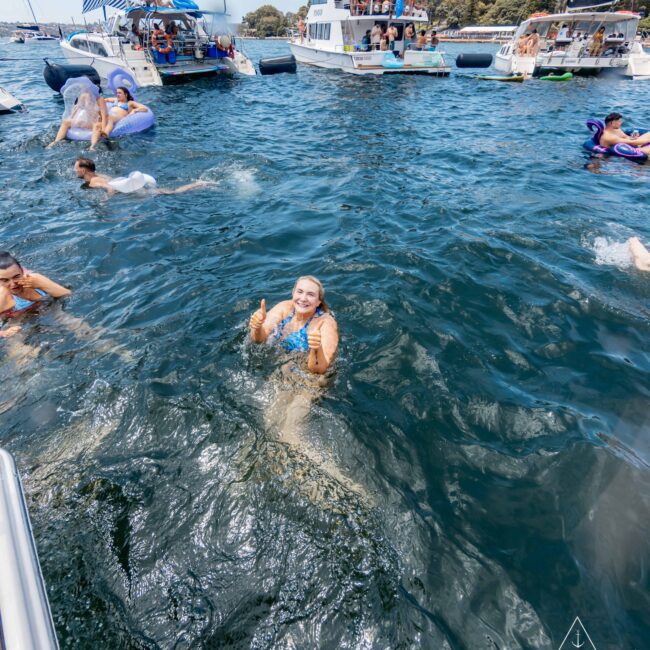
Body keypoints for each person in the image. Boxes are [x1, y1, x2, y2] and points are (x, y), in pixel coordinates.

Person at [249, 276, 338, 375]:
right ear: (293, 293)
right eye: (300, 292)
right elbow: (259, 340)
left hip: (309, 377)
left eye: (310, 294)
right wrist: (257, 327)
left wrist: (316, 349)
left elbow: (320, 370)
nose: (303, 299)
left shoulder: (325, 322)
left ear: (318, 302)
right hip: (280, 366)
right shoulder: (285, 308)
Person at [0, 251, 71, 338]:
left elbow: (66, 293)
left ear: (22, 272)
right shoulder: (2, 297)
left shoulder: (34, 279)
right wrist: (4, 333)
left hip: (43, 306)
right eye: (5, 280)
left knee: (67, 319)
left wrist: (40, 284)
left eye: (16, 276)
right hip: (16, 317)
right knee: (16, 337)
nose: (13, 284)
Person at [73, 157, 213, 195]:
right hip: (136, 185)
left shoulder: (93, 182)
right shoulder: (99, 175)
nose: (74, 171)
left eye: (76, 168)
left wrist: (104, 203)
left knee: (173, 192)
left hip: (135, 191)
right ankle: (201, 184)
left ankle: (201, 184)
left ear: (84, 170)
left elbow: (110, 188)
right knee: (170, 191)